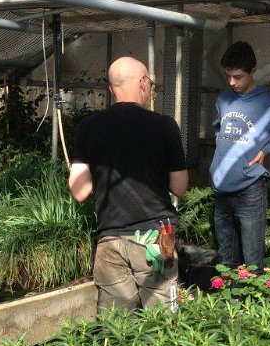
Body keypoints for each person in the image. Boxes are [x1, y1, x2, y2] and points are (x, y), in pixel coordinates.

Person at [68, 56, 188, 311]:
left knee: (118, 327)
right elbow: (180, 187)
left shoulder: (89, 127)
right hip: (155, 241)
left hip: (110, 241)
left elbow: (80, 192)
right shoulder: (164, 126)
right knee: (165, 323)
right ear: (144, 83)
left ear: (112, 89)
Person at [210, 41, 270, 269]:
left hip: (250, 191)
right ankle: (229, 303)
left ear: (253, 70)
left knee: (253, 262)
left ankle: (255, 303)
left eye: (238, 76)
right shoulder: (224, 100)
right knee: (227, 261)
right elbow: (219, 127)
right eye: (228, 76)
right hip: (221, 191)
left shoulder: (268, 105)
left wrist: (268, 148)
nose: (232, 82)